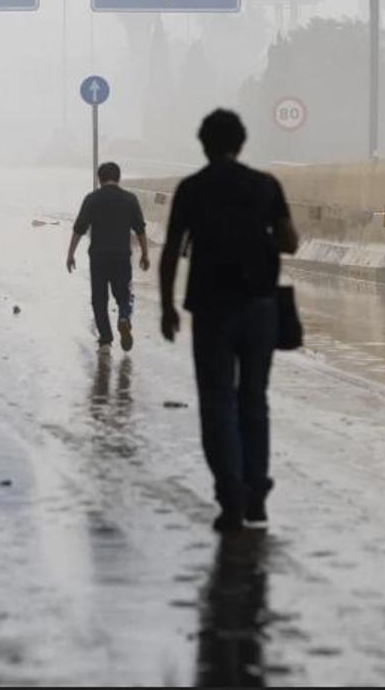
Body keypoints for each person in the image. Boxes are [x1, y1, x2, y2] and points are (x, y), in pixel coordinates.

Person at [159, 109, 299, 533]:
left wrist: (167, 306)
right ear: (242, 143)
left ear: (203, 144)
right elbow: (290, 242)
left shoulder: (192, 189)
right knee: (254, 399)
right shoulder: (265, 185)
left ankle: (231, 495)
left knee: (218, 400)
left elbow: (171, 251)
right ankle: (257, 491)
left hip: (211, 307)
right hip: (260, 307)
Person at [66, 162, 150, 353]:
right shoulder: (130, 199)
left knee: (99, 299)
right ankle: (123, 318)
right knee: (124, 295)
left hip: (98, 257)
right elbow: (140, 229)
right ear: (118, 178)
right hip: (121, 256)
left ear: (99, 178)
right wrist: (145, 254)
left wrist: (70, 254)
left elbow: (79, 228)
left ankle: (105, 341)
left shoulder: (92, 199)